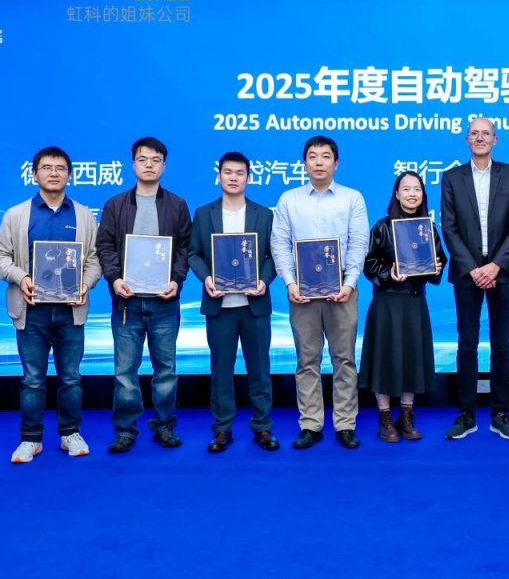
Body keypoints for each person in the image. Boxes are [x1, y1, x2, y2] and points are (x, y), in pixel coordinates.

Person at [0, 146, 101, 463]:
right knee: (32, 380)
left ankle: (70, 433)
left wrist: (86, 283)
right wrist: (21, 277)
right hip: (31, 311)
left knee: (71, 378)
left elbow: (94, 260)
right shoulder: (16, 215)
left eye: (60, 168)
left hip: (70, 311)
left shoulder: (84, 215)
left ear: (69, 175)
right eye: (47, 167)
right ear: (34, 174)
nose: (54, 173)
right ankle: (31, 439)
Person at [271, 135, 369, 450]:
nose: (318, 162)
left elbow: (359, 243)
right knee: (307, 360)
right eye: (312, 156)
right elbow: (279, 243)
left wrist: (349, 283)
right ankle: (311, 424)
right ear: (304, 162)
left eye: (325, 156)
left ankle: (345, 424)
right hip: (302, 291)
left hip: (342, 289)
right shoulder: (289, 199)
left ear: (335, 163)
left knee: (345, 360)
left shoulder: (352, 198)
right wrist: (290, 283)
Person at [96, 137, 192, 454]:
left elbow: (185, 247)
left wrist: (176, 279)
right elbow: (105, 246)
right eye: (143, 159)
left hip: (164, 303)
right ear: (133, 163)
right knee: (125, 372)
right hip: (127, 303)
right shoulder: (115, 205)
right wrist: (115, 279)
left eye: (155, 160)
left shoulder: (177, 205)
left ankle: (164, 425)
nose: (149, 165)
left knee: (166, 370)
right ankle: (125, 430)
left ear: (164, 165)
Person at [440, 116, 509, 440]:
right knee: (467, 345)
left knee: (501, 345)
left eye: (485, 133)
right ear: (466, 140)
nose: (479, 138)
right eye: (474, 134)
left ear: (495, 139)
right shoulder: (452, 177)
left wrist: (495, 266)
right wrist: (474, 268)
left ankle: (500, 413)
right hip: (467, 274)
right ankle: (467, 414)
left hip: (501, 272)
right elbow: (449, 227)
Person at [188, 152, 278, 453]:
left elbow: (273, 256)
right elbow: (194, 254)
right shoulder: (204, 213)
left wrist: (264, 280)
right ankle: (222, 429)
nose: (233, 177)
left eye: (240, 173)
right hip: (220, 306)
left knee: (260, 369)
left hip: (255, 306)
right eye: (228, 172)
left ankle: (263, 427)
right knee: (221, 371)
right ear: (219, 176)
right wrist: (207, 278)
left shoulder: (264, 214)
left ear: (249, 178)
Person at [358, 171, 447, 442]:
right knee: (384, 360)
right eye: (406, 189)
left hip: (415, 302)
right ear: (397, 194)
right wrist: (389, 273)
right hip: (387, 303)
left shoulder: (427, 228)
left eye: (417, 189)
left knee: (412, 359)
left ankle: (406, 415)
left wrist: (436, 267)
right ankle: (385, 418)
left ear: (423, 194)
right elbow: (369, 264)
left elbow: (439, 260)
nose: (412, 194)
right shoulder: (382, 227)